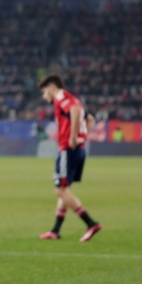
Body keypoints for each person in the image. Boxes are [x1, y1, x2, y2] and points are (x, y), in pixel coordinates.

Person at [38, 75, 101, 242]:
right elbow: (90, 119)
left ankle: (90, 223)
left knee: (60, 190)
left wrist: (73, 136)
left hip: (67, 148)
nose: (45, 97)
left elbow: (75, 110)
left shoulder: (62, 98)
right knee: (64, 191)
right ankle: (55, 230)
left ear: (52, 87)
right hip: (78, 149)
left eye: (45, 92)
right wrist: (83, 136)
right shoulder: (72, 98)